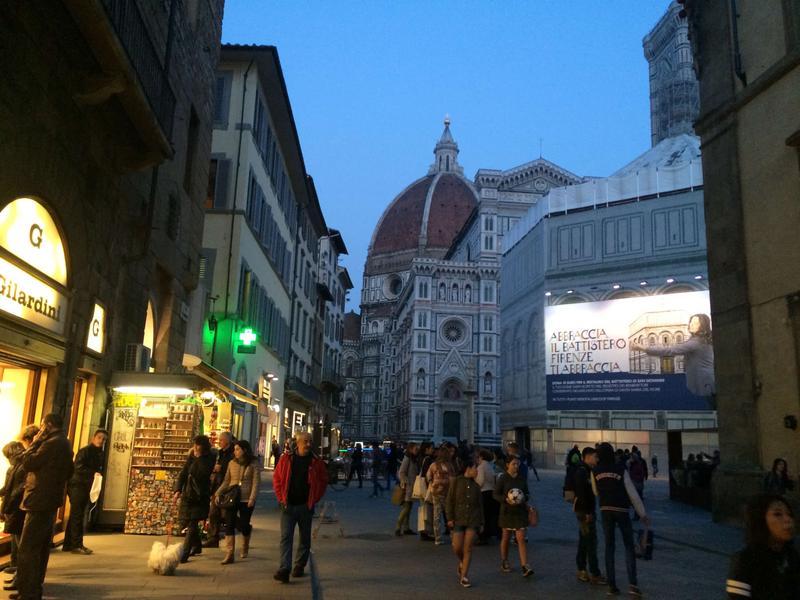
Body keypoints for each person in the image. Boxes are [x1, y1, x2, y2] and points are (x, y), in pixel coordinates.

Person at [13, 414, 73, 600]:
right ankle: (32, 588)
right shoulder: (64, 443)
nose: (39, 431)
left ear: (47, 425)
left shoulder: (51, 443)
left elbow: (28, 462)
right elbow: (69, 470)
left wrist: (34, 442)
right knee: (39, 546)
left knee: (29, 547)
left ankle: (29, 591)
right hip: (49, 499)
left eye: (41, 427)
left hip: (39, 499)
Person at [594, 442, 649, 598]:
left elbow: (595, 491)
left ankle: (612, 586)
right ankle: (632, 584)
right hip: (622, 510)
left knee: (609, 547)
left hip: (605, 510)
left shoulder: (595, 471)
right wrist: (642, 513)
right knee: (629, 546)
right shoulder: (620, 469)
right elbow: (631, 492)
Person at [272, 431, 328, 583]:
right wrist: (281, 498)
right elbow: (277, 478)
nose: (308, 444)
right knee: (286, 537)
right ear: (297, 443)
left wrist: (315, 498)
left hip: (305, 506)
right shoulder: (286, 459)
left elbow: (323, 481)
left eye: (310, 441)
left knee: (304, 538)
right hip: (288, 505)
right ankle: (284, 569)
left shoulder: (316, 461)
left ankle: (299, 565)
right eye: (305, 441)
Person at [727, 494, 799, 599]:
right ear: (760, 520)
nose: (788, 520)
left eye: (789, 514)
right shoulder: (745, 560)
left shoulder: (792, 558)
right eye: (778, 514)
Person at [631, 313, 715, 399]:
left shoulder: (696, 342)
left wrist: (642, 347)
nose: (691, 325)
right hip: (702, 380)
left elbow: (669, 350)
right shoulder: (701, 340)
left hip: (704, 382)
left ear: (703, 326)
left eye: (696, 323)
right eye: (691, 322)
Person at [214, 440, 261, 563]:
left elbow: (256, 482)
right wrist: (218, 493)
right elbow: (226, 481)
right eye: (235, 449)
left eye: (238, 449)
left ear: (244, 450)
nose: (235, 452)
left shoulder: (253, 463)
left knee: (244, 525)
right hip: (232, 497)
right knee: (229, 524)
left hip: (246, 498)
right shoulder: (231, 463)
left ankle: (245, 544)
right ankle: (230, 554)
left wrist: (252, 498)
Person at [62, 428, 107, 554]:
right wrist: (94, 473)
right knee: (78, 515)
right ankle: (76, 545)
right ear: (94, 438)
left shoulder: (99, 453)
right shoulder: (85, 451)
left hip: (84, 485)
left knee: (76, 515)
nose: (101, 441)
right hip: (77, 485)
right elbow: (78, 468)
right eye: (99, 438)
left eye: (103, 439)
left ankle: (69, 544)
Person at [173, 435, 215, 563]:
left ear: (203, 446)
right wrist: (177, 490)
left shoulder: (208, 458)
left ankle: (184, 554)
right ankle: (197, 546)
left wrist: (198, 458)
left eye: (198, 445)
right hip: (188, 493)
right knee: (187, 521)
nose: (196, 447)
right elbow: (184, 473)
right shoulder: (191, 456)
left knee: (192, 522)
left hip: (199, 495)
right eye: (195, 444)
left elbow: (201, 474)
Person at [493, 456, 533, 577]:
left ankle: (525, 565)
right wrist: (505, 499)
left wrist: (524, 499)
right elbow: (495, 494)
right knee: (505, 537)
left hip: (520, 512)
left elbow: (527, 493)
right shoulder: (503, 478)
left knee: (521, 539)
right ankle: (504, 560)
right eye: (514, 464)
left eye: (518, 464)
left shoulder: (521, 478)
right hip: (507, 511)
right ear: (507, 465)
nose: (516, 466)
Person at [446, 459, 483, 588]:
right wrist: (449, 518)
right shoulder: (456, 482)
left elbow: (480, 506)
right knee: (457, 547)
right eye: (475, 468)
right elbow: (449, 500)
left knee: (468, 548)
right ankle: (462, 562)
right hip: (458, 519)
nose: (477, 471)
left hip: (473, 520)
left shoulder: (477, 487)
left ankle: (464, 576)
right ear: (468, 468)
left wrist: (481, 522)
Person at [573, 447, 607, 586]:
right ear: (587, 456)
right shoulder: (583, 472)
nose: (597, 459)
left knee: (584, 540)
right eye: (595, 456)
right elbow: (582, 494)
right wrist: (588, 512)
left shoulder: (587, 470)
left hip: (584, 510)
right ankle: (594, 573)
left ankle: (581, 569)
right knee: (591, 541)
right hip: (584, 511)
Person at [203, 431, 235, 549]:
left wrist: (221, 468)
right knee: (213, 513)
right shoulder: (220, 453)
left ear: (227, 441)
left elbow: (232, 470)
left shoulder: (232, 453)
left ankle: (244, 527)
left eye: (221, 440)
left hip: (227, 487)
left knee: (226, 514)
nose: (219, 442)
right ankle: (213, 538)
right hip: (218, 486)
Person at [0, 442, 26, 592]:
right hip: (15, 508)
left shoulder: (19, 467)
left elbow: (14, 490)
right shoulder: (17, 467)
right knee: (19, 543)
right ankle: (18, 574)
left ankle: (20, 577)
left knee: (21, 544)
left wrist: (7, 506)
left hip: (17, 509)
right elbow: (9, 488)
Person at [427, 447, 454, 545]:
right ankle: (452, 535)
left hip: (436, 492)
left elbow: (428, 476)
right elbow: (452, 479)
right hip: (447, 493)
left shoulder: (433, 465)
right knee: (449, 515)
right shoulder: (450, 466)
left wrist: (432, 484)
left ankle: (437, 537)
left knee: (437, 515)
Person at [475, 448, 498, 544]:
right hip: (491, 492)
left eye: (477, 457)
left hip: (483, 492)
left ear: (481, 457)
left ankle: (482, 536)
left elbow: (480, 481)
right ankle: (488, 533)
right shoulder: (490, 466)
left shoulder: (481, 467)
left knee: (482, 515)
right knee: (488, 515)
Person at [395, 442, 418, 536]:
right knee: (406, 507)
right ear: (411, 449)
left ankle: (406, 527)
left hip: (411, 486)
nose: (417, 451)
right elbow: (401, 472)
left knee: (409, 507)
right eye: (416, 449)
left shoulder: (413, 458)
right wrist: (406, 482)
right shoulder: (407, 458)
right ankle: (398, 526)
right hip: (408, 487)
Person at [418, 442, 435, 541]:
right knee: (427, 510)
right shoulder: (428, 459)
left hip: (421, 486)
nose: (433, 450)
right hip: (425, 487)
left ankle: (422, 531)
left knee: (423, 510)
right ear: (426, 449)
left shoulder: (420, 458)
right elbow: (426, 475)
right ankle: (426, 532)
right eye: (431, 448)